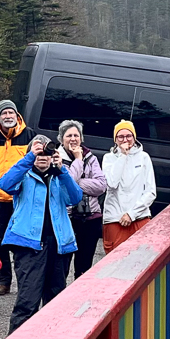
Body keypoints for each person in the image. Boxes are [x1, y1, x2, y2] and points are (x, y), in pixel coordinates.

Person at [0, 135, 84, 333]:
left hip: (59, 244)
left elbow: (74, 197)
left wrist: (62, 170)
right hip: (29, 245)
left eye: (47, 152)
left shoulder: (59, 176)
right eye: (38, 152)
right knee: (27, 301)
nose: (43, 156)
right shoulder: (24, 175)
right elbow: (5, 185)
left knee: (56, 302)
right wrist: (29, 157)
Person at [0, 100, 36, 296]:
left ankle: (25, 280)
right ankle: (2, 280)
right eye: (4, 113)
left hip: (22, 197)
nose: (7, 116)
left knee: (23, 239)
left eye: (10, 112)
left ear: (17, 115)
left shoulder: (30, 136)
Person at [55, 119, 107, 279]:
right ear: (61, 138)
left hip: (90, 217)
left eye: (76, 135)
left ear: (81, 138)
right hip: (67, 217)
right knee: (61, 264)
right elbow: (64, 186)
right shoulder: (56, 158)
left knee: (84, 266)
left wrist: (76, 182)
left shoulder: (90, 157)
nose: (73, 139)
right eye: (68, 135)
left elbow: (101, 185)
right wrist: (78, 160)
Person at [101, 120, 156, 252]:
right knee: (115, 263)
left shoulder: (144, 157)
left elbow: (151, 192)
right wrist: (122, 156)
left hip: (140, 217)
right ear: (115, 139)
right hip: (114, 218)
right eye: (120, 136)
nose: (125, 140)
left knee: (142, 261)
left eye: (128, 136)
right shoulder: (108, 158)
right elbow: (112, 184)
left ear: (134, 138)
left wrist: (132, 214)